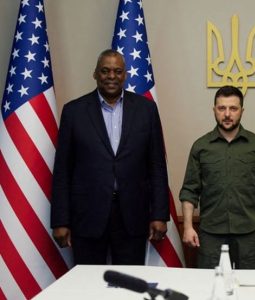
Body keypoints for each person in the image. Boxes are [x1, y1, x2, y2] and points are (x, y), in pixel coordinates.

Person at [51, 49, 169, 265]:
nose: (111, 76)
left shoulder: (146, 110)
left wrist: (160, 215)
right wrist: (60, 220)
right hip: (87, 216)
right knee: (88, 287)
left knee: (129, 285)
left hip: (132, 216)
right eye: (105, 71)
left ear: (125, 75)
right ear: (95, 74)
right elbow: (62, 172)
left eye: (117, 71)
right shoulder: (74, 112)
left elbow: (157, 166)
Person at [179, 85, 255, 269]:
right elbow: (189, 191)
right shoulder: (201, 147)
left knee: (250, 290)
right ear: (214, 110)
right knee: (210, 289)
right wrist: (187, 226)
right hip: (210, 235)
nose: (227, 114)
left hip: (248, 233)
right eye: (221, 108)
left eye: (233, 108)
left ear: (242, 111)